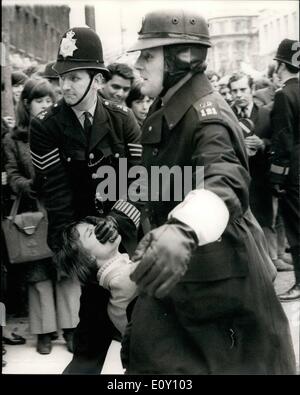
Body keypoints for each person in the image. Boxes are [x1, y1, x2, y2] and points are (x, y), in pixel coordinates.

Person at [122, 9, 296, 374]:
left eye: (149, 54)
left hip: (218, 284)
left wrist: (184, 229)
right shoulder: (168, 106)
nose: (138, 63)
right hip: (183, 279)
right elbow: (157, 183)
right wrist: (119, 215)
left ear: (182, 58)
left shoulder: (208, 115)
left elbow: (226, 178)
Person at [29, 27, 142, 373]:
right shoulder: (46, 127)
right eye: (62, 78)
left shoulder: (123, 120)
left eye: (75, 78)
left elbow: (139, 183)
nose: (65, 87)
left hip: (129, 245)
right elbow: (58, 197)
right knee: (89, 345)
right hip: (89, 250)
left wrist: (119, 222)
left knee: (143, 343)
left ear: (96, 78)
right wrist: (76, 251)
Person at [3, 77, 81, 354]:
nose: (47, 105)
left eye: (50, 99)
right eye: (40, 100)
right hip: (32, 211)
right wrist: (30, 186)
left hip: (62, 207)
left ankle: (72, 328)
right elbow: (12, 174)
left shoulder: (62, 128)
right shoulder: (14, 139)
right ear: (27, 103)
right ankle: (45, 331)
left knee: (67, 269)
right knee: (38, 273)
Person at [228, 72, 292, 272]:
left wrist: (263, 143)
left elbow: (279, 141)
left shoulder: (265, 113)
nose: (239, 95)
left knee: (267, 218)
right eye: (234, 91)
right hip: (238, 177)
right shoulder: (227, 115)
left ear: (252, 90)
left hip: (262, 176)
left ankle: (272, 259)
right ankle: (252, 263)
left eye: (243, 90)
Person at [57, 217, 138, 337]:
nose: (103, 228)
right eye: (91, 233)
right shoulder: (124, 278)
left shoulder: (117, 279)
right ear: (89, 258)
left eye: (96, 227)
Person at [269, 39, 300, 301]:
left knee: (296, 229)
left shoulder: (283, 94)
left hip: (294, 173)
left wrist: (277, 177)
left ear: (281, 64)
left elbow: (283, 140)